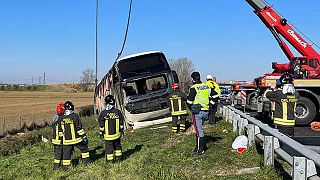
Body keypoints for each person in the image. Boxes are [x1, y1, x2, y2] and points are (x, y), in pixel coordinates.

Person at [58, 101, 91, 170]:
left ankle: (65, 168)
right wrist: (84, 136)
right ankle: (86, 163)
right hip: (77, 139)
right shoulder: (75, 116)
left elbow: (60, 130)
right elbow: (79, 128)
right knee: (84, 149)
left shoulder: (60, 118)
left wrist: (61, 139)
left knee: (66, 155)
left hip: (67, 141)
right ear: (71, 107)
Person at [187, 72, 213, 155]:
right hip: (206, 111)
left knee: (199, 131)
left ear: (193, 79)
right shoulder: (206, 86)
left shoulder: (194, 88)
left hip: (197, 111)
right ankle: (199, 147)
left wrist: (190, 108)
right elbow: (214, 96)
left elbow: (189, 101)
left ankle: (200, 149)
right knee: (200, 130)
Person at [266, 73, 299, 137]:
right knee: (290, 141)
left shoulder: (278, 94)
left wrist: (272, 88)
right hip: (291, 123)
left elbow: (267, 94)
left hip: (281, 124)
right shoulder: (296, 94)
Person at [98, 95, 125, 163]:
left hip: (108, 137)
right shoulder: (117, 111)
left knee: (109, 149)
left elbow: (102, 126)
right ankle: (118, 159)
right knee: (118, 147)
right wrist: (122, 131)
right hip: (117, 135)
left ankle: (110, 161)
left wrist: (101, 133)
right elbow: (121, 123)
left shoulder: (103, 113)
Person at [52, 103, 65, 170]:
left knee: (57, 152)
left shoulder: (55, 117)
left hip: (54, 139)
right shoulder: (61, 118)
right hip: (59, 139)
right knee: (59, 153)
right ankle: (56, 167)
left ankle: (57, 165)